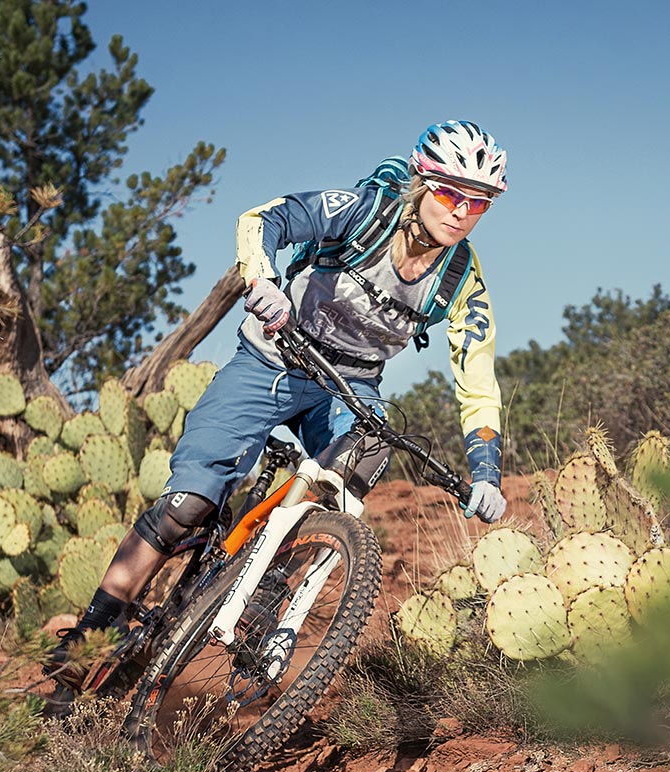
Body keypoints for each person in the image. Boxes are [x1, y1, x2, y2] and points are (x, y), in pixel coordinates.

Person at [43, 120, 510, 701]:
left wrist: (485, 470)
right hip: (274, 360)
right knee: (187, 505)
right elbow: (262, 219)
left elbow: (477, 376)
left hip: (348, 383)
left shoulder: (461, 276)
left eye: (480, 202)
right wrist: (262, 280)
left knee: (365, 455)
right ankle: (91, 631)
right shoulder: (364, 211)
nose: (463, 211)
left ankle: (262, 590)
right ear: (421, 183)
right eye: (450, 192)